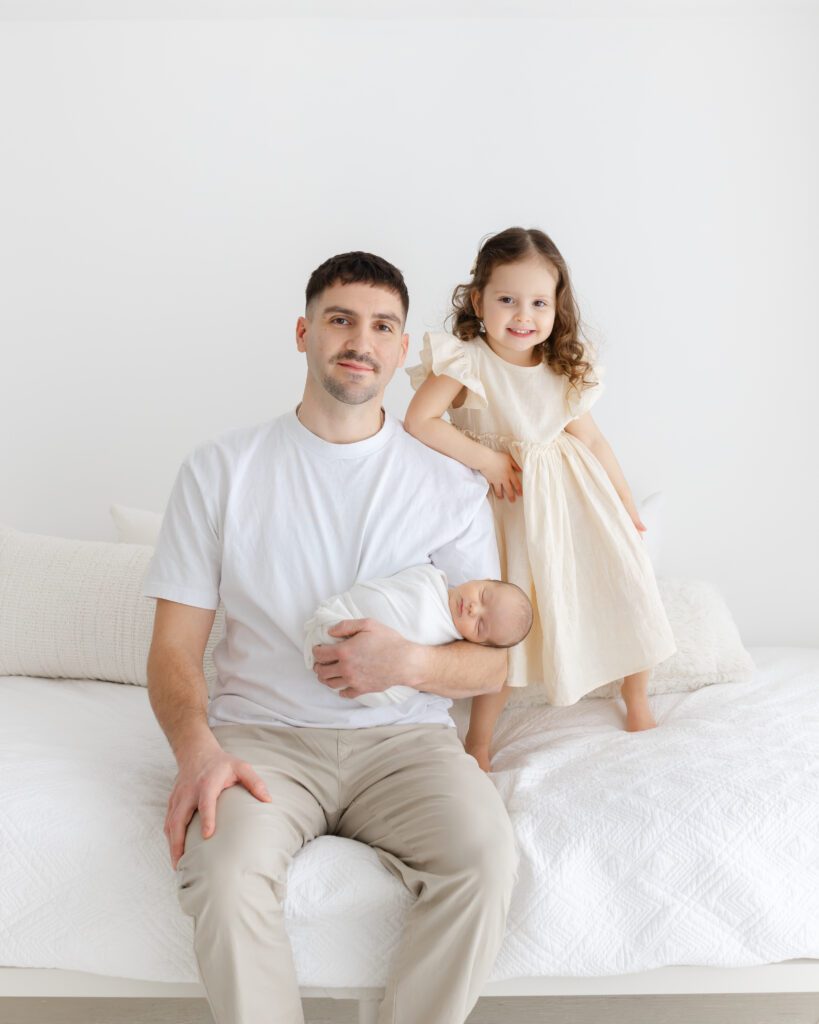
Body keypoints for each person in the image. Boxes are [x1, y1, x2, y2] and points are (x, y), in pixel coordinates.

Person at [143, 251, 519, 1024]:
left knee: (483, 858)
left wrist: (407, 662)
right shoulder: (222, 469)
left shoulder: (447, 484)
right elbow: (174, 651)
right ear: (303, 332)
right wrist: (197, 750)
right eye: (340, 319)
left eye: (381, 326)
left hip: (406, 744)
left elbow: (490, 663)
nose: (360, 340)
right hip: (263, 740)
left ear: (401, 348)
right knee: (223, 869)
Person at [403, 226, 677, 772]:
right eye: (507, 299)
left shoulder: (559, 368)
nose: (522, 315)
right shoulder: (466, 362)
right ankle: (480, 738)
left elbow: (593, 441)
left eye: (538, 302)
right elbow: (418, 421)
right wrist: (486, 459)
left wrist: (625, 508)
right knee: (503, 621)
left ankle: (637, 694)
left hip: (572, 503)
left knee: (626, 586)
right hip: (504, 511)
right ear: (479, 301)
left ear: (557, 307)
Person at [304, 563, 533, 706]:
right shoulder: (431, 578)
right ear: (483, 579)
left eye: (480, 625)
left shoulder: (445, 640)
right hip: (344, 615)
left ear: (478, 643)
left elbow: (492, 674)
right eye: (483, 596)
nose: (474, 609)